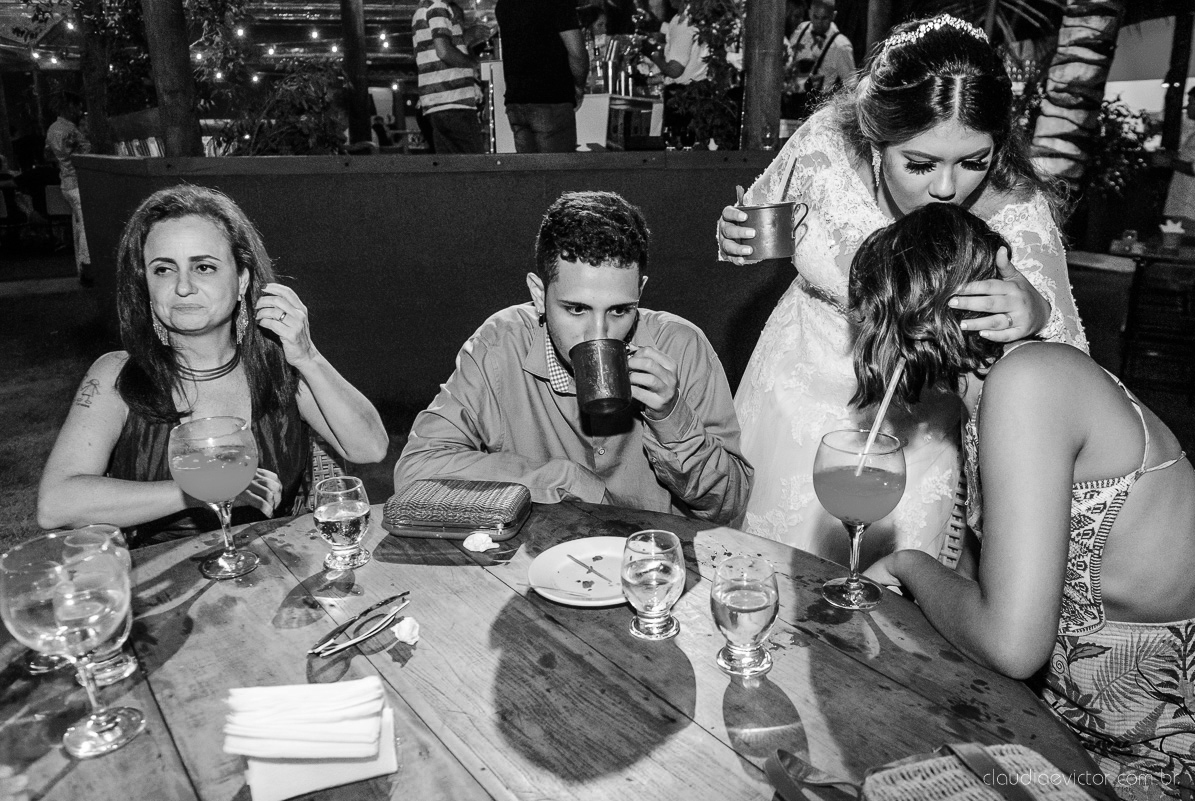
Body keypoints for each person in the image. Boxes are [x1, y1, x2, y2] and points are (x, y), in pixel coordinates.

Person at [852, 203, 1195, 800]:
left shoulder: (1029, 382)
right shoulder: (993, 393)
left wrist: (909, 562)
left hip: (1161, 753)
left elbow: (1012, 646)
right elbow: (989, 586)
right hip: (1069, 725)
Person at [716, 14, 1088, 567]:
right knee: (760, 572)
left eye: (972, 162)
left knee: (882, 611)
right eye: (918, 163)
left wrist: (1032, 315)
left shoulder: (1015, 208)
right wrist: (736, 238)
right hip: (790, 395)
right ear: (873, 138)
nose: (945, 187)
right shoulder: (824, 145)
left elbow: (1070, 360)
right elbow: (757, 219)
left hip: (913, 433)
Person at [37, 185, 389, 546]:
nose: (183, 287)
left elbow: (370, 449)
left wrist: (308, 356)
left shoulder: (278, 367)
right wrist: (202, 489)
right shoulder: (117, 375)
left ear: (241, 279)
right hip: (163, 586)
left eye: (203, 267)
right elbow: (56, 504)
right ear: (144, 284)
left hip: (275, 572)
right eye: (163, 270)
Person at [395, 190, 752, 524]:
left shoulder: (682, 346)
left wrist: (672, 416)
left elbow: (729, 504)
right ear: (538, 294)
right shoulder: (498, 346)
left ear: (639, 293)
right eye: (577, 309)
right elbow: (414, 471)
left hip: (653, 563)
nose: (599, 334)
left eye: (620, 311)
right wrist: (562, 479)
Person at [495, 0, 588, 153]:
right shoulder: (558, 3)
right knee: (558, 173)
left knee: (530, 173)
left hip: (517, 101)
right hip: (551, 97)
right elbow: (577, 53)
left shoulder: (504, 3)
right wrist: (579, 86)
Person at [412, 0, 487, 154]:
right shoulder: (438, 7)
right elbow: (444, 51)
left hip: (436, 103)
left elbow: (434, 50)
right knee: (474, 166)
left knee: (451, 168)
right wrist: (473, 64)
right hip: (455, 101)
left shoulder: (420, 12)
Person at [643, 0, 709, 148]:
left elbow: (674, 70)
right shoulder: (695, 18)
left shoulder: (684, 23)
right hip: (699, 90)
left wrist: (653, 54)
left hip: (682, 97)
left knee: (678, 152)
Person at [45, 92, 92, 286]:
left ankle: (82, 267)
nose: (80, 111)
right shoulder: (68, 130)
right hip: (77, 181)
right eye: (78, 106)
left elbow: (48, 155)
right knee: (86, 227)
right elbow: (81, 155)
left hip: (66, 181)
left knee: (78, 224)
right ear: (70, 107)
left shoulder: (53, 129)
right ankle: (88, 266)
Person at [782, 0, 856, 121]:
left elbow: (852, 85)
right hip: (789, 103)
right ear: (810, 13)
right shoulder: (801, 29)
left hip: (815, 111)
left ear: (833, 16)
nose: (819, 23)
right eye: (816, 17)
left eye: (824, 18)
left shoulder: (841, 46)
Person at [1156, 85, 1195, 238]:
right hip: (1181, 208)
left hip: (1191, 211)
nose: (1186, 106)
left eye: (1191, 101)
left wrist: (1168, 163)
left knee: (1182, 255)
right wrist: (1174, 156)